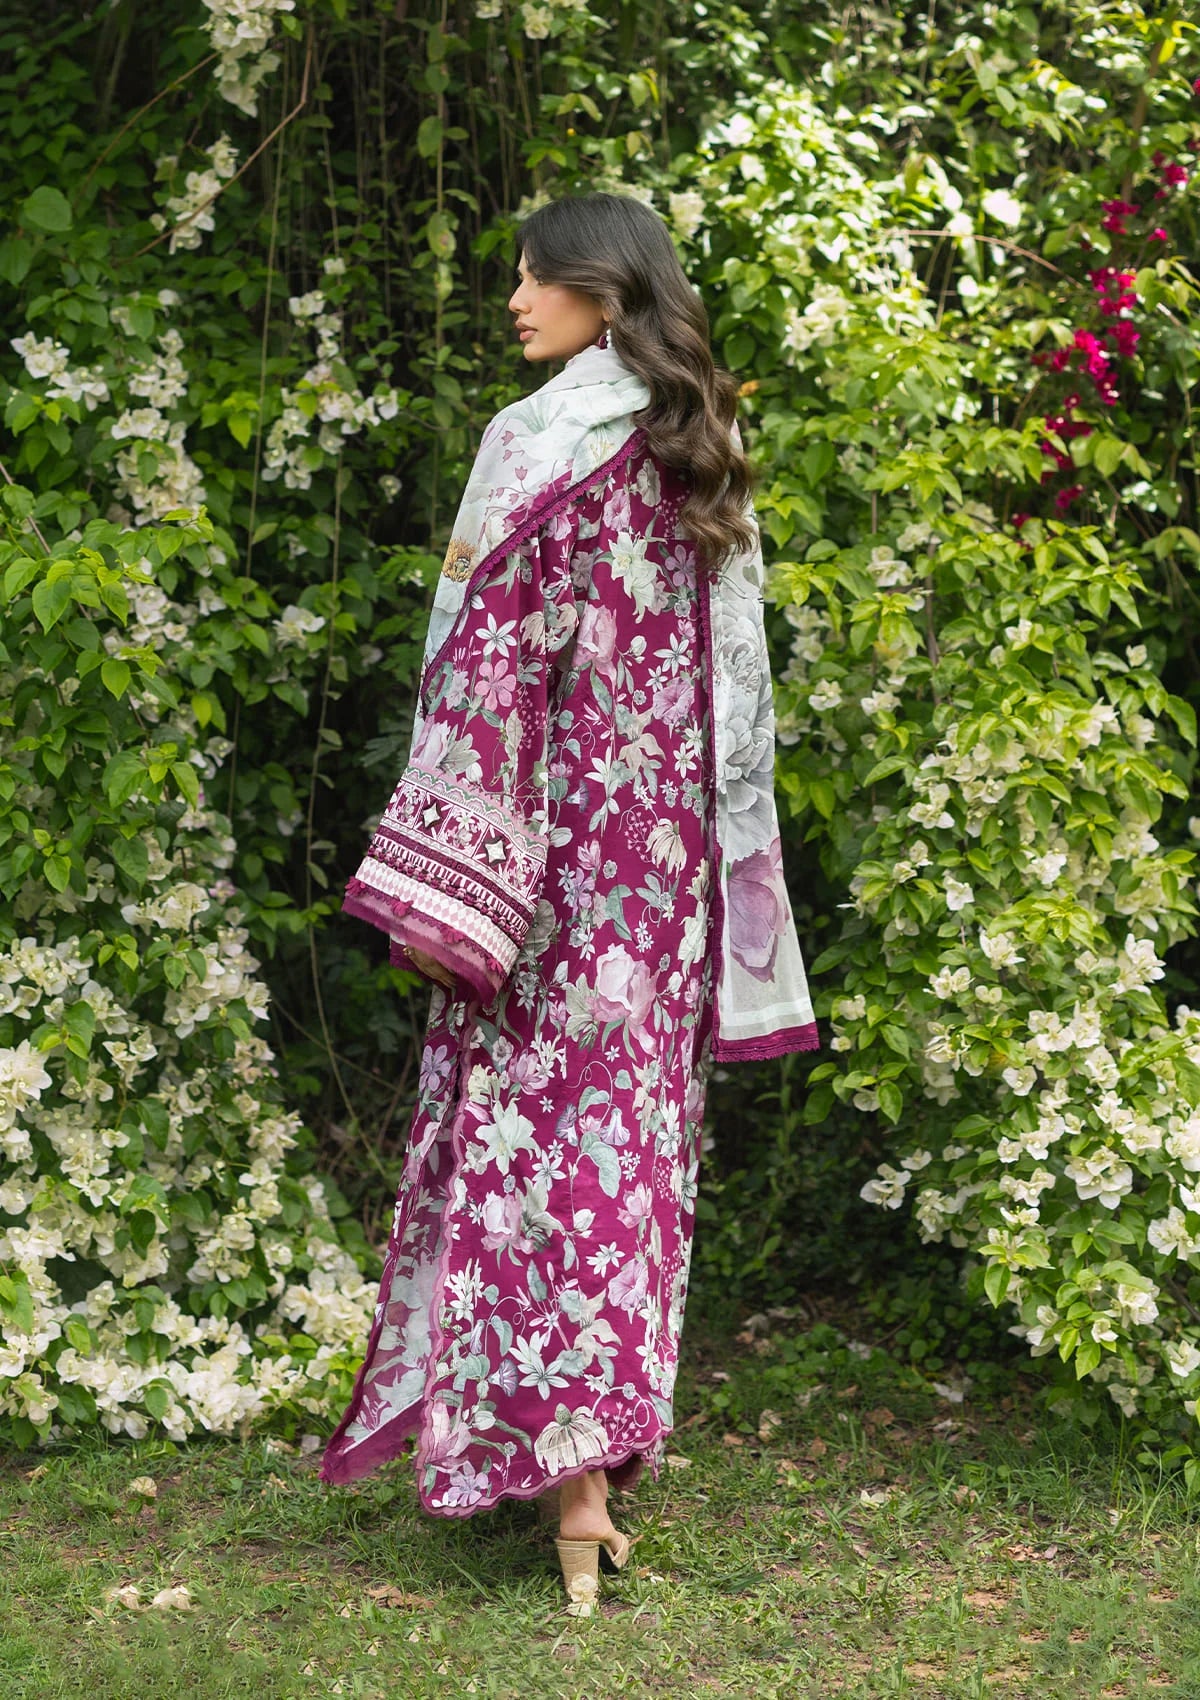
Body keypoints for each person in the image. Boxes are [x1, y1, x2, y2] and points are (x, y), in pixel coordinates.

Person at [319, 191, 818, 1614]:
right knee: (627, 1150)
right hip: (656, 874)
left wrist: (461, 852)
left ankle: (572, 1477)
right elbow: (742, 697)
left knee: (528, 1146)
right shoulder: (702, 440)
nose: (518, 295)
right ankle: (585, 1472)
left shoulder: (530, 443)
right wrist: (723, 866)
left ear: (605, 286)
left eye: (538, 272)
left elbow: (461, 661)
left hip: (544, 867)